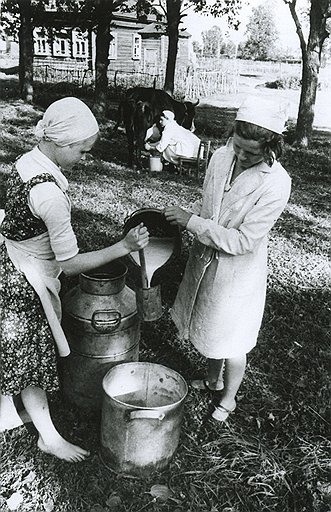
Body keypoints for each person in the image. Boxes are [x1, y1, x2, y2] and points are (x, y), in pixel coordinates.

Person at [0, 97, 149, 460]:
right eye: (83, 151)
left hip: (6, 260)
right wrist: (123, 246)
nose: (85, 158)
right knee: (29, 356)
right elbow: (69, 265)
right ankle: (47, 436)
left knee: (8, 349)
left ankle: (6, 412)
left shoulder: (27, 161)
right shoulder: (50, 195)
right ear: (62, 143)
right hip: (21, 280)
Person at [163, 95, 291, 422]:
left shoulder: (277, 183)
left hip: (237, 271)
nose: (242, 156)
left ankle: (229, 399)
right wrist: (193, 214)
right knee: (207, 324)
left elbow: (244, 241)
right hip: (205, 257)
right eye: (238, 146)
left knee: (233, 339)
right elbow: (211, 202)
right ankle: (211, 379)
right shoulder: (221, 157)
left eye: (252, 152)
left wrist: (192, 222)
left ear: (272, 148)